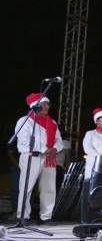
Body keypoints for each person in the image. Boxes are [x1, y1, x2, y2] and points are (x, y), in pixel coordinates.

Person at [14, 93, 64, 225]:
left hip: (49, 158)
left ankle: (46, 217)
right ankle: (23, 216)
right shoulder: (25, 120)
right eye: (44, 104)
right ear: (35, 106)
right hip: (32, 157)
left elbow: (59, 141)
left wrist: (55, 149)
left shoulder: (52, 122)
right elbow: (24, 140)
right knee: (26, 187)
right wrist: (44, 149)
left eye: (47, 104)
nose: (47, 106)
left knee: (48, 188)